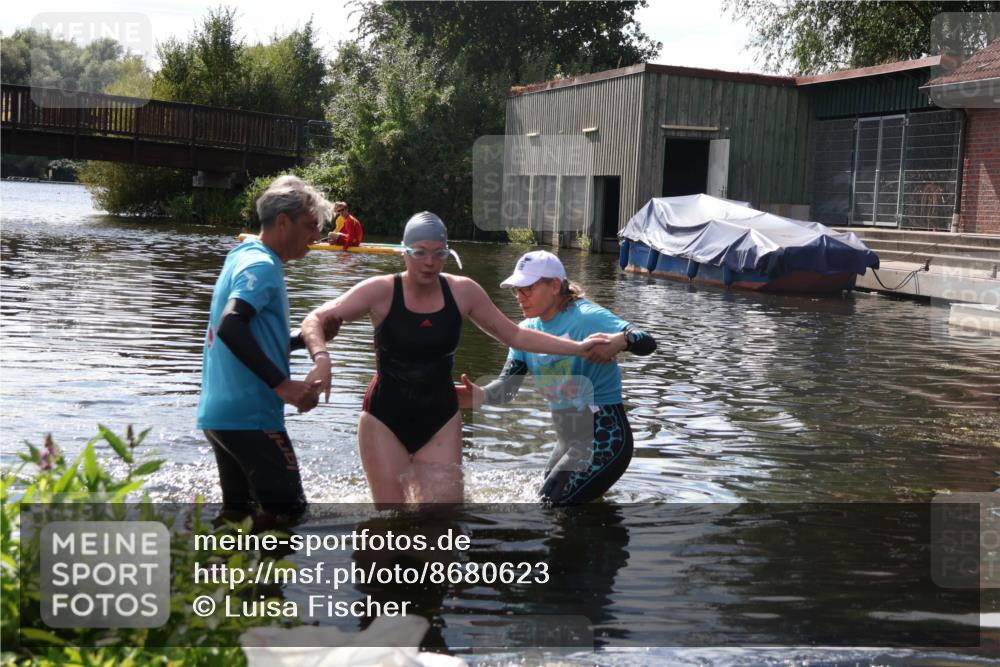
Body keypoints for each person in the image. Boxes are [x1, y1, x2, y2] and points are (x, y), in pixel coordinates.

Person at [300, 212, 611, 506]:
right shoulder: (380, 291)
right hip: (384, 418)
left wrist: (579, 348)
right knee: (390, 520)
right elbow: (314, 319)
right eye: (420, 252)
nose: (430, 262)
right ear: (404, 252)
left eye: (439, 253)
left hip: (441, 418)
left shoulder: (463, 292)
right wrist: (322, 358)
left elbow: (515, 335)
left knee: (444, 522)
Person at [456, 250, 657, 506]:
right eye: (516, 290)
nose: (519, 297)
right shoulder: (524, 332)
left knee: (550, 506)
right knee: (550, 506)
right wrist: (481, 395)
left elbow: (647, 342)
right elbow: (507, 388)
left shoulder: (586, 317)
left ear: (554, 286)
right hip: (567, 440)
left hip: (604, 437)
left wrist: (623, 339)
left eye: (527, 289)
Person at [196, 175, 335, 526]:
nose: (316, 236)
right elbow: (231, 325)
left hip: (220, 416)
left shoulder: (243, 254)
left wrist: (303, 340)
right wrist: (282, 385)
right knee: (288, 515)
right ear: (283, 222)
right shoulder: (262, 266)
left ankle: (207, 563)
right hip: (252, 417)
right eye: (310, 226)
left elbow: (250, 335)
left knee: (238, 516)